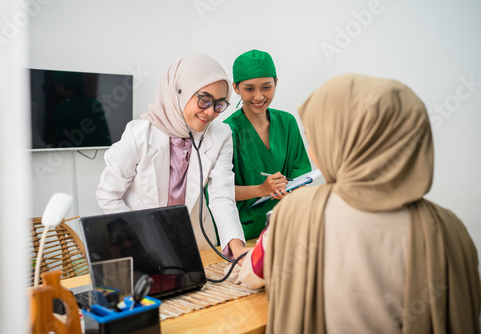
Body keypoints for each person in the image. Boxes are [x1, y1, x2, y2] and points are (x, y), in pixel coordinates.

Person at [233, 74, 481, 333]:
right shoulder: (449, 230)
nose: (314, 152)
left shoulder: (296, 213)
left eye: (316, 139)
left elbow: (251, 275)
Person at [96, 54, 247, 259]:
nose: (211, 112)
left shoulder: (221, 135)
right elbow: (108, 195)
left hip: (199, 243)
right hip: (143, 244)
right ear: (178, 93)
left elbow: (222, 196)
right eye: (204, 100)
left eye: (220, 104)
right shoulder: (138, 134)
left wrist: (237, 248)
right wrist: (137, 236)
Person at [223, 49, 311, 240]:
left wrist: (292, 192)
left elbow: (301, 176)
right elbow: (219, 192)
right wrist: (261, 190)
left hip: (287, 225)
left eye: (266, 87)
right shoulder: (227, 132)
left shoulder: (287, 123)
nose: (259, 96)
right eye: (249, 89)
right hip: (244, 232)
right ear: (236, 88)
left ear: (276, 83)